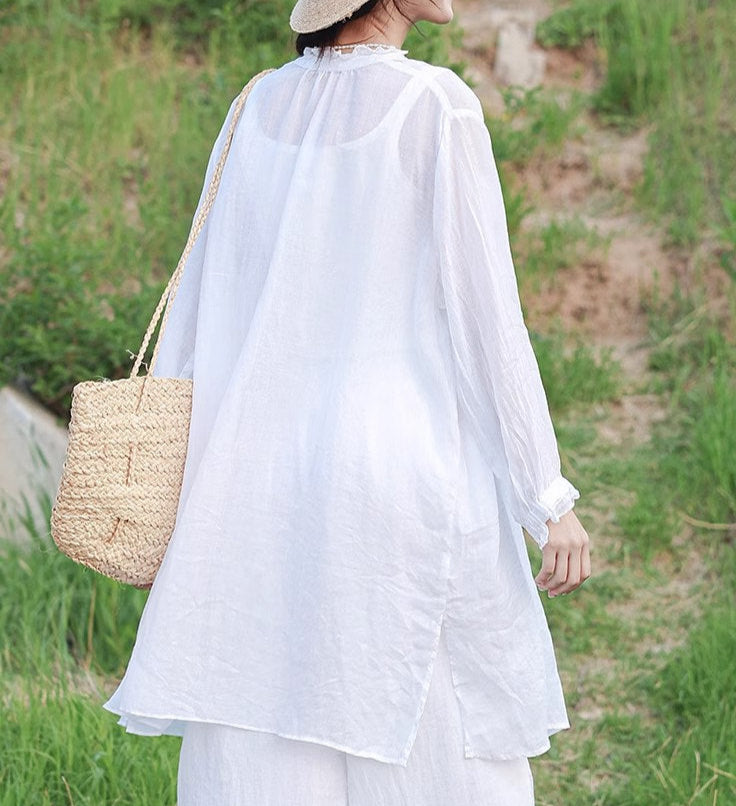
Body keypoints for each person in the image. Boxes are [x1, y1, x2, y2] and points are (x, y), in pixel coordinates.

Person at [103, 0, 592, 803]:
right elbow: (487, 320)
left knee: (264, 720)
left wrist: (179, 492)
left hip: (251, 481)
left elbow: (198, 305)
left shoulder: (253, 105)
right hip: (393, 470)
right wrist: (546, 495)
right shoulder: (434, 104)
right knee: (428, 740)